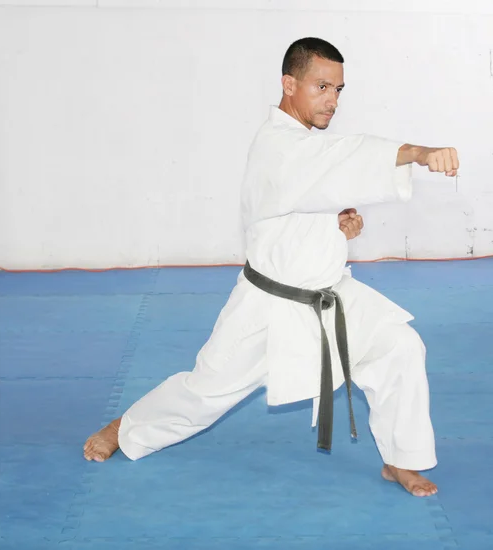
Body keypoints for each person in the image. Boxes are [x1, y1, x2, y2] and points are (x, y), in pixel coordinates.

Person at [84, 37, 460, 498]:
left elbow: (307, 195)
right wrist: (418, 152)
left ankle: (401, 461)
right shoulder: (278, 145)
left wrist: (335, 225)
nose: (332, 100)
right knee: (205, 392)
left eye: (339, 89)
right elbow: (342, 157)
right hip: (268, 306)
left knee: (399, 346)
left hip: (328, 294)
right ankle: (124, 429)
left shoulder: (303, 144)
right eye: (322, 86)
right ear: (288, 83)